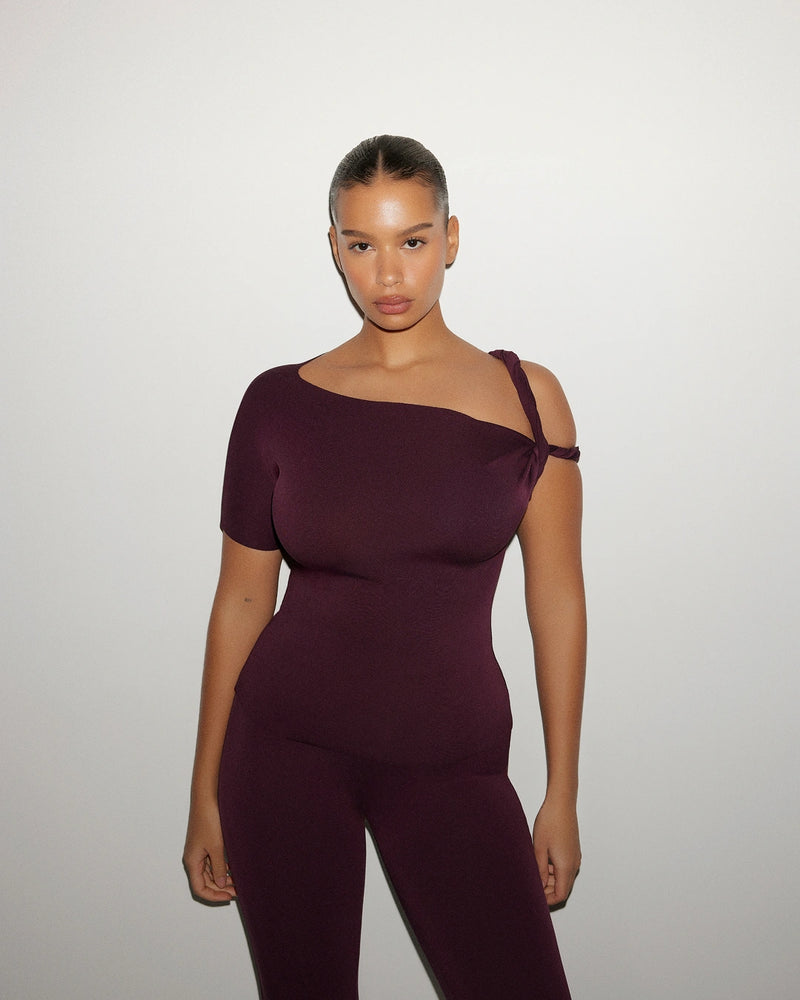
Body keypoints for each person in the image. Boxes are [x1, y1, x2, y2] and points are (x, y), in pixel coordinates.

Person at [183, 135, 586, 999]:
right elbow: (242, 601)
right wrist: (203, 789)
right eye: (363, 244)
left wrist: (561, 790)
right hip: (281, 752)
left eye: (413, 240)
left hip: (452, 760)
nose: (389, 273)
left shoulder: (527, 398)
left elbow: (556, 598)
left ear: (451, 238)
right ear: (335, 247)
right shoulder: (277, 402)